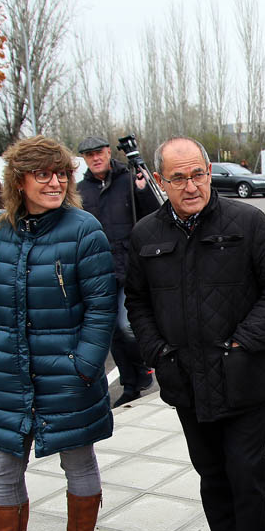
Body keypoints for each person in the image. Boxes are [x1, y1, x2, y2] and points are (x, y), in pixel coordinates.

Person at [126, 137, 265, 531]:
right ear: (161, 181)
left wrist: (246, 341)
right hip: (184, 376)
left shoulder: (246, 221)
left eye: (197, 173)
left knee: (247, 471)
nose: (190, 185)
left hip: (242, 376)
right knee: (210, 470)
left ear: (209, 173)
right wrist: (158, 352)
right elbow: (136, 301)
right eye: (178, 177)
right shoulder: (146, 235)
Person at [0, 136, 117, 531]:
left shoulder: (84, 229)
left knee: (77, 460)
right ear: (18, 179)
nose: (54, 182)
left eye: (61, 173)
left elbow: (101, 306)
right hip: (7, 368)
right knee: (5, 464)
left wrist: (86, 364)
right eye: (42, 173)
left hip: (67, 370)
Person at [76, 136, 161, 407]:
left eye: (99, 153)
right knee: (110, 331)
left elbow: (154, 213)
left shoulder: (129, 179)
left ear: (108, 152)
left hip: (130, 266)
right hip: (97, 272)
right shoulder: (79, 191)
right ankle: (129, 384)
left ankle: (144, 368)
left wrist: (143, 189)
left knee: (127, 326)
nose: (95, 158)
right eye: (89, 155)